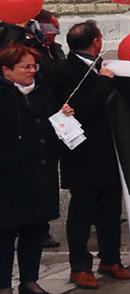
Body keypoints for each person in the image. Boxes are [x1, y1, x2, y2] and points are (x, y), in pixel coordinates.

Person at [40, 23, 130, 288]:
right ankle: (80, 266)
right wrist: (104, 81)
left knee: (111, 208)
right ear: (96, 41)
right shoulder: (63, 71)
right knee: (82, 211)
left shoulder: (102, 66)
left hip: (109, 149)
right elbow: (86, 107)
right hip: (81, 153)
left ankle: (111, 259)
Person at [2, 45, 72, 294]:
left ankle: (29, 280)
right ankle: (3, 284)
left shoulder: (43, 92)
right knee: (5, 234)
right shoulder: (4, 96)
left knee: (35, 229)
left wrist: (64, 117)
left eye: (34, 66)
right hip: (9, 178)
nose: (32, 71)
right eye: (25, 67)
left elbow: (54, 126)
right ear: (7, 71)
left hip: (41, 173)